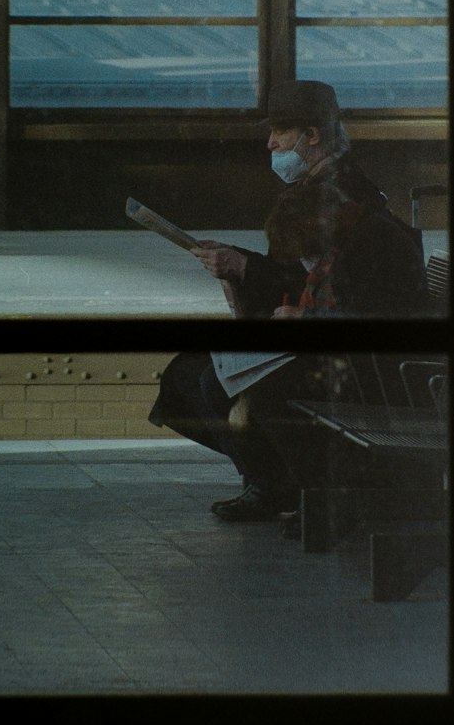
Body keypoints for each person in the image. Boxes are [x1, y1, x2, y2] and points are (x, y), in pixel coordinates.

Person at [147, 79, 430, 523]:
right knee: (189, 374)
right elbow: (303, 274)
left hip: (362, 358)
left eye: (280, 131)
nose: (271, 143)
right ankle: (272, 480)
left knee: (222, 383)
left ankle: (290, 486)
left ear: (311, 136)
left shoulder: (348, 201)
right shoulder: (320, 186)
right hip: (330, 336)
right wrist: (243, 270)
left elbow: (344, 290)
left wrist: (255, 277)